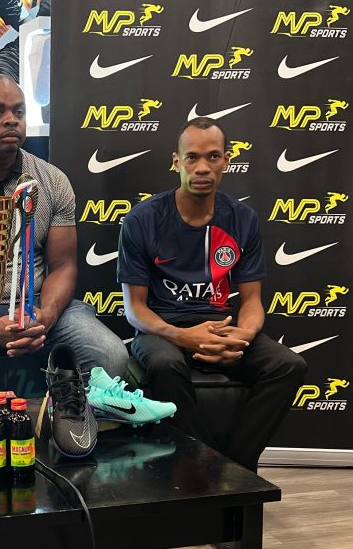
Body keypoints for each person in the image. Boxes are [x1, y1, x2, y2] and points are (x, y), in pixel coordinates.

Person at [0, 75, 129, 453]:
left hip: (38, 305)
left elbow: (63, 266)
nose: (10, 120)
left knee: (110, 354)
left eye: (18, 111)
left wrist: (44, 316)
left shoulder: (52, 181)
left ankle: (62, 424)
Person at [118, 117, 307, 502]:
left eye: (213, 157)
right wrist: (184, 336)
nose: (202, 167)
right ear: (176, 162)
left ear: (227, 161)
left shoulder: (242, 219)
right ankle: (201, 477)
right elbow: (135, 310)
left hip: (221, 327)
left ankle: (233, 473)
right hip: (161, 330)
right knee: (165, 365)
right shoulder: (143, 219)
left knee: (289, 365)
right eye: (192, 158)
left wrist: (243, 334)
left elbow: (252, 302)